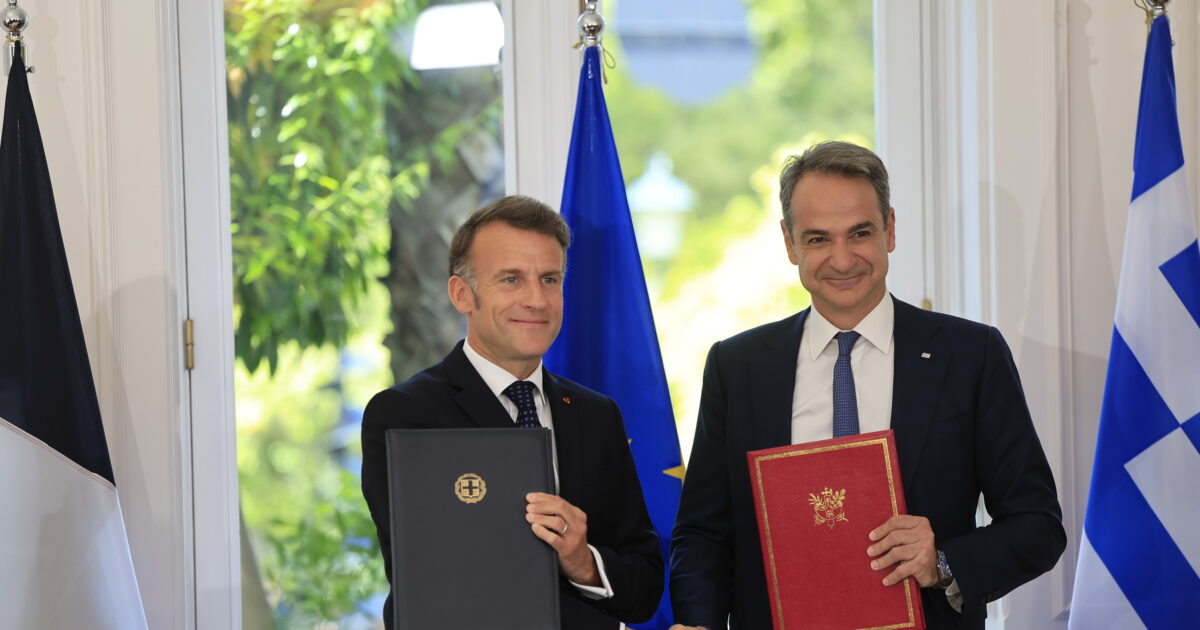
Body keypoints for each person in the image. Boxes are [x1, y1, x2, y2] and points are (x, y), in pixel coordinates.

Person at [668, 142, 1065, 630]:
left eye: (859, 233)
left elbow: (1038, 526)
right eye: (818, 239)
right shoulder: (738, 366)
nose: (842, 260)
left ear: (889, 230)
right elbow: (703, 534)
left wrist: (942, 562)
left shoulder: (971, 355)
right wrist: (699, 622)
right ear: (790, 243)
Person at [361, 195, 663, 630]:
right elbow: (435, 584)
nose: (537, 300)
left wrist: (584, 562)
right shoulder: (406, 414)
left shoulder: (596, 415)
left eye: (549, 279)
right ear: (462, 294)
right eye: (511, 279)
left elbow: (645, 589)